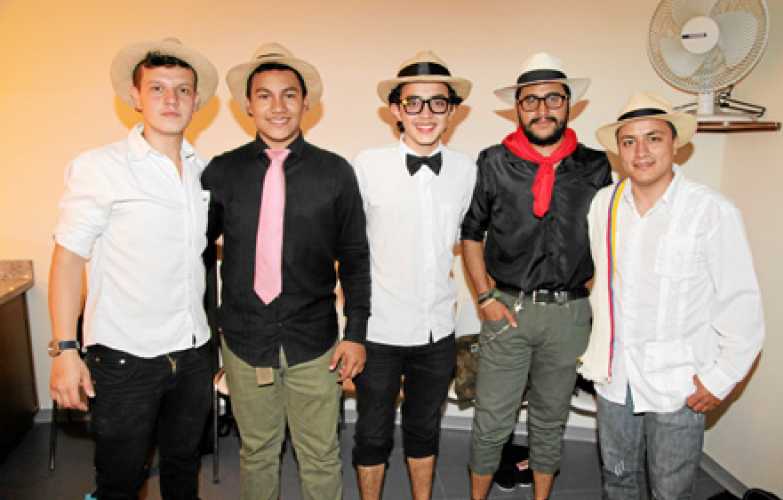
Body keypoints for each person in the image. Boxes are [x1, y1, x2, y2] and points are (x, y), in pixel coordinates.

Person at [48, 38, 219, 499]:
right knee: (120, 482)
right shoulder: (100, 167)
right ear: (135, 97)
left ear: (197, 101)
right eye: (157, 88)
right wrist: (65, 350)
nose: (171, 99)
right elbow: (67, 260)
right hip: (125, 359)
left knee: (183, 472)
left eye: (182, 90)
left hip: (192, 353)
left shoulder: (203, 172)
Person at [201, 42, 370, 500]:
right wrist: (208, 333)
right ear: (247, 105)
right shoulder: (221, 172)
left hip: (314, 343)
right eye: (265, 95)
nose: (278, 106)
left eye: (289, 94)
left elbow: (355, 258)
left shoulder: (335, 173)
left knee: (320, 454)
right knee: (257, 452)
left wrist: (356, 333)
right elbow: (197, 255)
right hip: (244, 340)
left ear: (305, 103)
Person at [580, 92, 765, 499]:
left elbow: (741, 303)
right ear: (618, 150)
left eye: (653, 138)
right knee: (617, 480)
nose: (641, 152)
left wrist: (721, 378)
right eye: (629, 141)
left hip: (679, 383)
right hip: (615, 376)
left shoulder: (710, 210)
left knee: (671, 491)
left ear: (675, 144)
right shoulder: (604, 205)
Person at [460, 52, 612, 500]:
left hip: (569, 316)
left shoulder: (596, 166)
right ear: (518, 108)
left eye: (553, 99)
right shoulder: (493, 162)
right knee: (492, 420)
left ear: (568, 104)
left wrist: (592, 296)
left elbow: (608, 236)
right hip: (508, 311)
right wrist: (484, 297)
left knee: (550, 419)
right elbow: (471, 233)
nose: (542, 109)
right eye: (531, 100)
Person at [352, 51, 476, 500]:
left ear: (452, 110)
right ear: (396, 109)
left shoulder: (466, 171)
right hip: (379, 330)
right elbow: (348, 248)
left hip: (436, 329)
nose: (426, 113)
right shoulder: (367, 165)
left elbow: (468, 241)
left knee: (425, 429)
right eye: (413, 102)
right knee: (372, 433)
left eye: (437, 102)